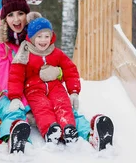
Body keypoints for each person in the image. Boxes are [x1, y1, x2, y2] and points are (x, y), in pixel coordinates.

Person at [0, 0, 113, 152]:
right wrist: (29, 103)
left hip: (41, 90)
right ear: (4, 18)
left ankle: (93, 136)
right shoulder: (0, 45)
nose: (16, 19)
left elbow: (57, 63)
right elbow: (6, 81)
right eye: (10, 15)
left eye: (20, 13)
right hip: (13, 95)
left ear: (27, 14)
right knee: (13, 113)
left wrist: (58, 74)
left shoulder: (37, 37)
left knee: (66, 110)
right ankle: (15, 139)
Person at [7, 14, 114, 150]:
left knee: (63, 104)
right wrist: (15, 97)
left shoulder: (56, 53)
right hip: (33, 89)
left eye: (47, 36)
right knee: (42, 107)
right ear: (32, 38)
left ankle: (68, 128)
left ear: (51, 36)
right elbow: (16, 76)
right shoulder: (25, 53)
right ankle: (51, 130)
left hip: (55, 86)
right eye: (39, 36)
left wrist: (74, 91)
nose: (43, 40)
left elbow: (70, 70)